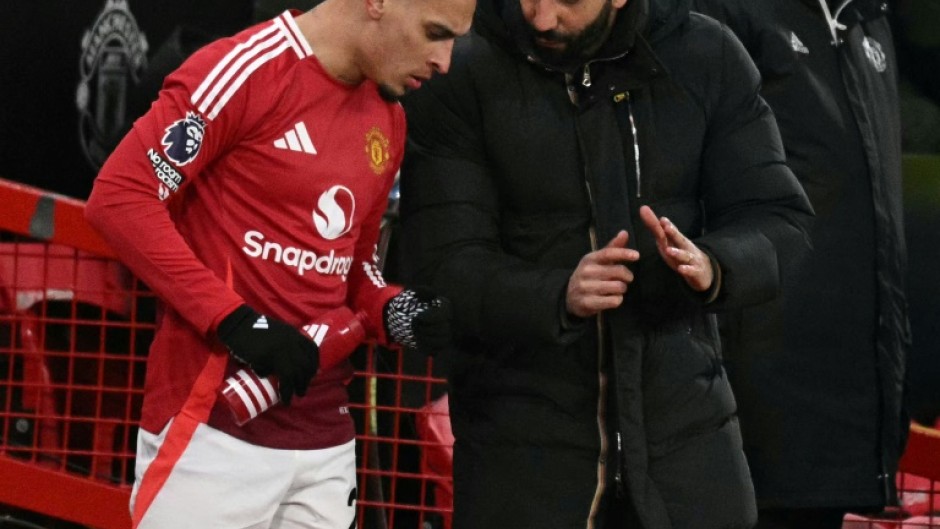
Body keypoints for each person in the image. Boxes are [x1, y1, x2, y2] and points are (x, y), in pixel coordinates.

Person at [398, 0, 815, 527]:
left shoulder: (707, 54)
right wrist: (556, 295)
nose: (540, 18)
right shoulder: (461, 65)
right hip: (521, 457)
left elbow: (781, 219)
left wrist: (714, 265)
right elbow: (440, 264)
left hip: (690, 452)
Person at [84, 0, 473, 526]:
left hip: (325, 440)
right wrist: (234, 320)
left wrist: (393, 309)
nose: (445, 61)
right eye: (436, 33)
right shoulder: (244, 70)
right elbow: (121, 197)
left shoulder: (390, 118)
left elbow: (353, 268)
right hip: (212, 429)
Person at [688, 1, 911, 527]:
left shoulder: (868, 17)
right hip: (752, 393)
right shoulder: (725, 11)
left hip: (849, 393)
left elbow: (873, 215)